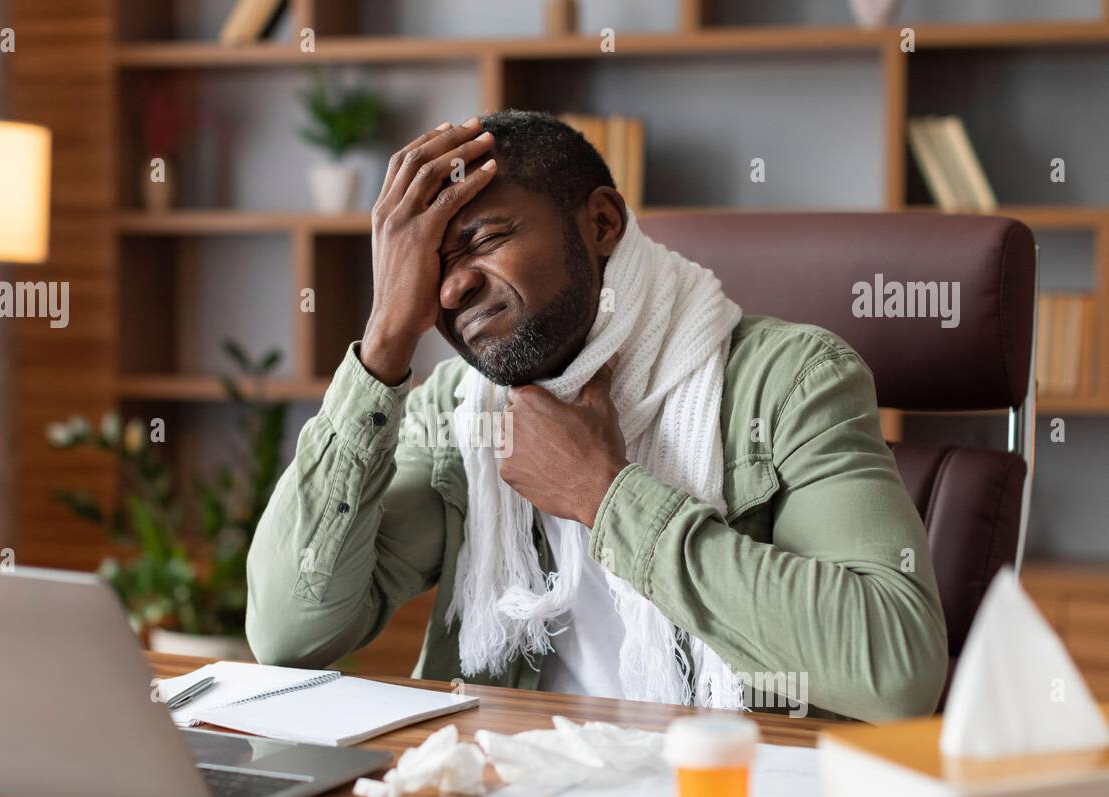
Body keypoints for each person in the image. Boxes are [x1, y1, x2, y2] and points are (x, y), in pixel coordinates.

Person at [245, 110, 947, 721]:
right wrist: (384, 346)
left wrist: (607, 497)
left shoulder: (791, 381)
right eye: (428, 266)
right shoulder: (458, 411)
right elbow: (288, 634)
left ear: (602, 223)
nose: (452, 287)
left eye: (483, 241)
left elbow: (897, 670)